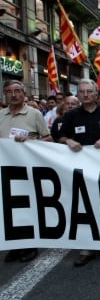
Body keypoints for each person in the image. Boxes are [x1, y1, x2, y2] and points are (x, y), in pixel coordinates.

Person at [58, 79, 100, 266]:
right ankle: (85, 248)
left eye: (89, 91)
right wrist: (68, 141)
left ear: (96, 94)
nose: (86, 95)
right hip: (79, 168)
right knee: (82, 205)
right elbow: (60, 135)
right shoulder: (71, 115)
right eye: (82, 92)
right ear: (77, 94)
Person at [0, 80, 52, 263]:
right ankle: (15, 245)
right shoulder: (1, 115)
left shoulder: (34, 114)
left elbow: (48, 138)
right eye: (9, 91)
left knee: (28, 207)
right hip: (6, 171)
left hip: (28, 170)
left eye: (16, 91)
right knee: (9, 208)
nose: (13, 95)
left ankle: (29, 246)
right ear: (5, 94)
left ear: (23, 93)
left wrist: (30, 143)